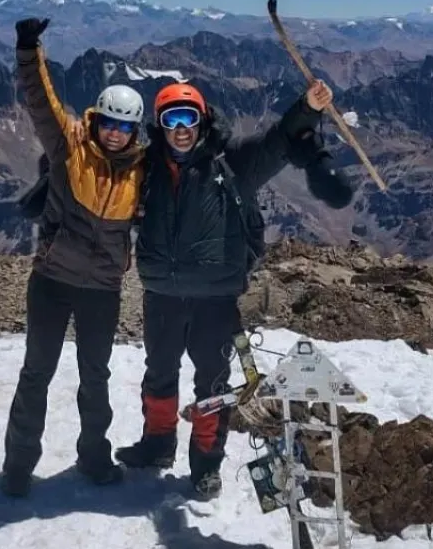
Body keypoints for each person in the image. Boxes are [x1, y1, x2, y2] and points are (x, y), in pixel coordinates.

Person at [114, 78, 337, 497]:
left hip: (216, 300)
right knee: (158, 375)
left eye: (189, 117)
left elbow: (276, 142)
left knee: (213, 386)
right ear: (159, 125)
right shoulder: (146, 167)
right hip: (162, 293)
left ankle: (205, 466)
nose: (181, 128)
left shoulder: (230, 162)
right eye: (171, 119)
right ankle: (158, 445)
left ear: (202, 120)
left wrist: (308, 107)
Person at [1, 17, 146, 497]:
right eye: (110, 123)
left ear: (135, 131)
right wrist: (29, 49)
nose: (116, 133)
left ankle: (93, 459)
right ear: (97, 119)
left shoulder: (141, 174)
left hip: (101, 290)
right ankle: (18, 467)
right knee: (37, 371)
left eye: (126, 127)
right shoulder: (70, 148)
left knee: (95, 379)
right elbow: (41, 102)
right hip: (52, 280)